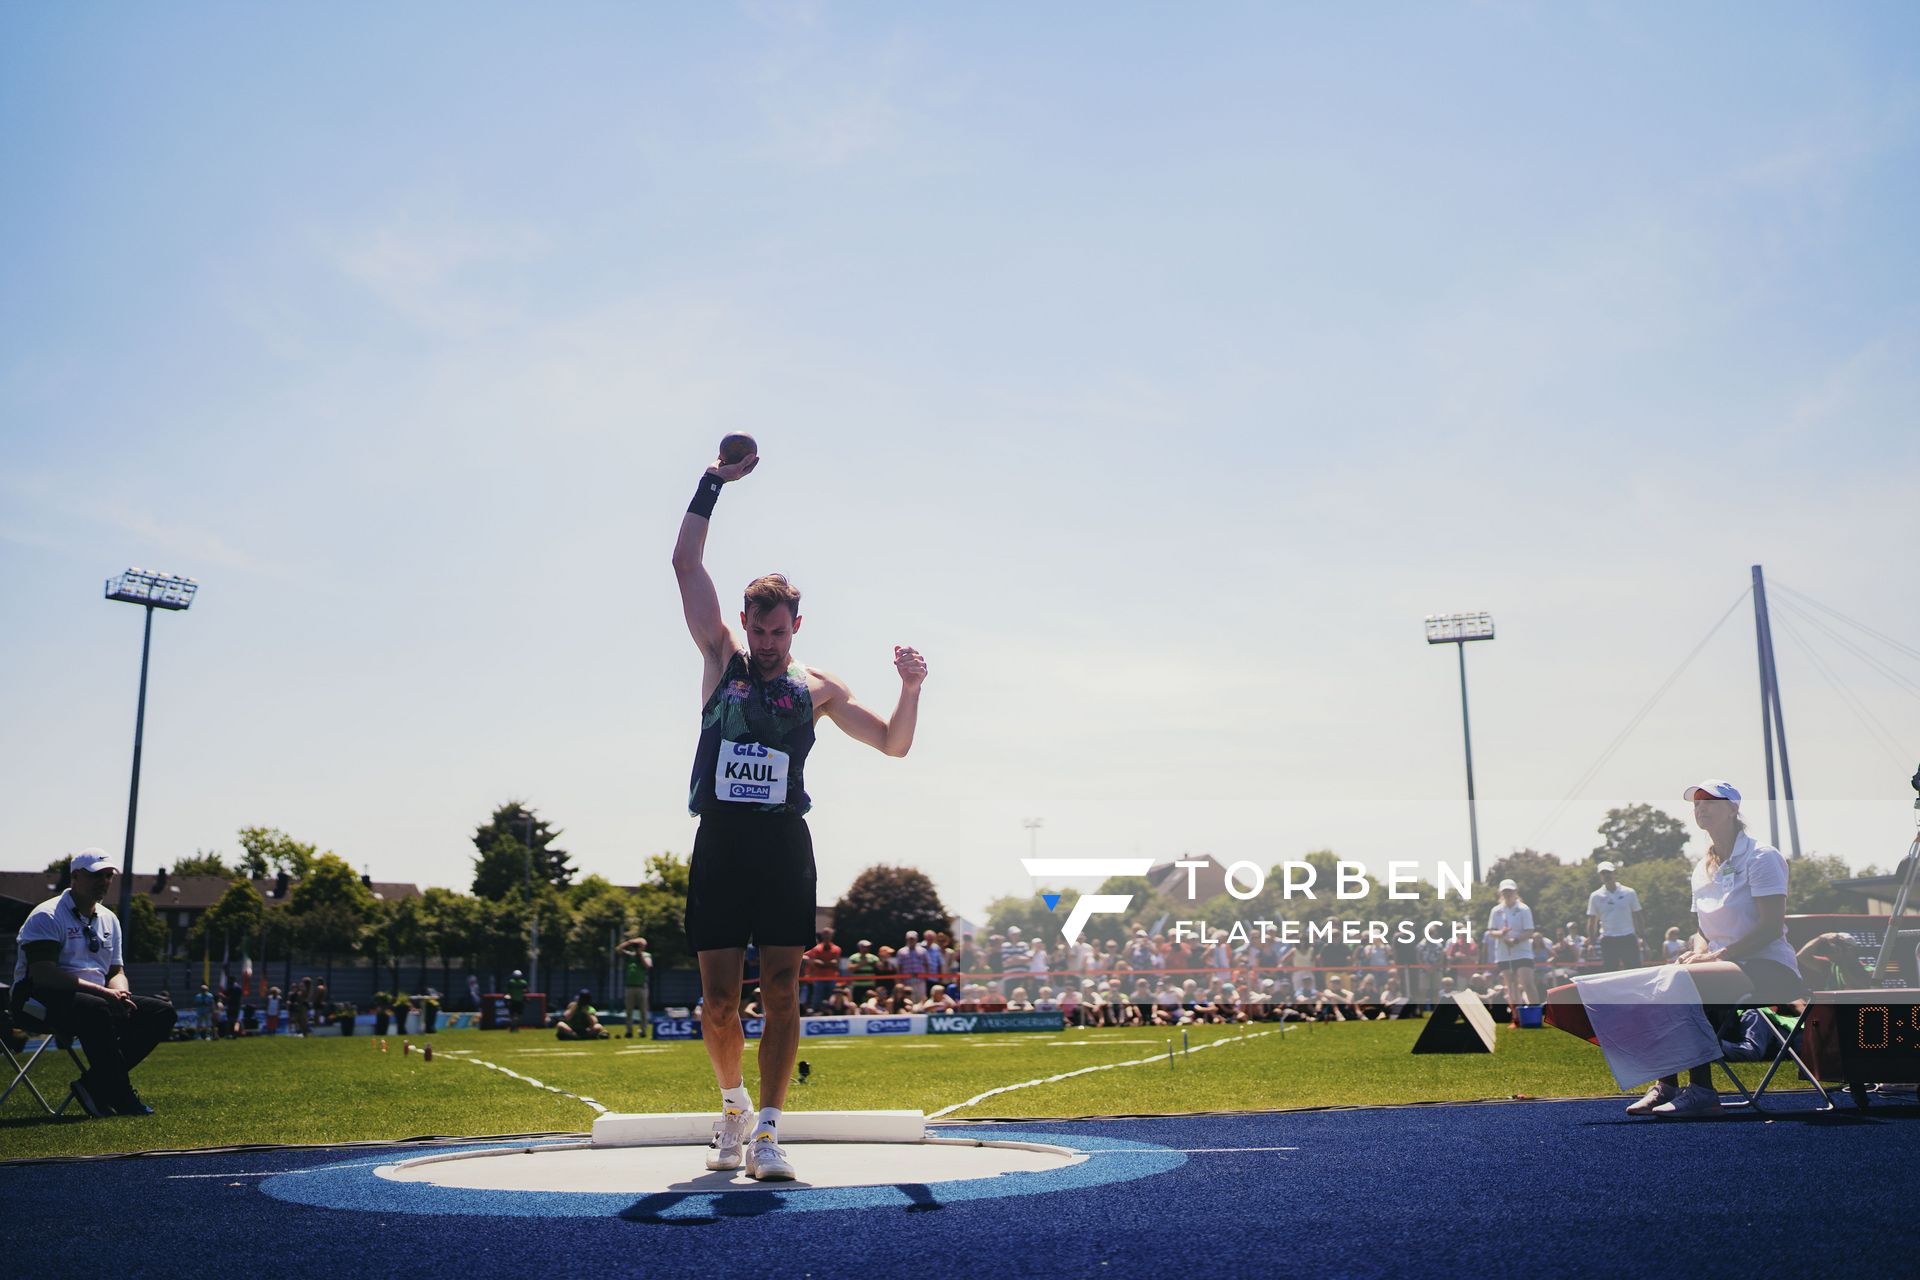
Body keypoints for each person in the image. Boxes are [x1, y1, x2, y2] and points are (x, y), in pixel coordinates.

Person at [673, 440, 927, 1182]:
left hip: (784, 846)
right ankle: (731, 1111)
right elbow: (687, 567)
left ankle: (772, 1133)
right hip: (720, 842)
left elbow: (891, 744)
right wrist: (712, 484)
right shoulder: (722, 659)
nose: (766, 642)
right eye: (758, 630)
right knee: (720, 1003)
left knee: (782, 989)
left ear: (796, 625)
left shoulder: (816, 689)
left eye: (777, 631)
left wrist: (911, 689)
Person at [1627, 780, 1806, 1118]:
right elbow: (1702, 929)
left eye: (1710, 801)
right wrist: (1697, 953)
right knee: (1665, 979)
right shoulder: (1701, 867)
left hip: (1770, 968)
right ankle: (1667, 1085)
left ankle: (1701, 1092)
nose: (1701, 807)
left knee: (1683, 982)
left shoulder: (1762, 857)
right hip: (1722, 967)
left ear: (1734, 808)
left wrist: (1712, 958)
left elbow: (1769, 927)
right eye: (1696, 803)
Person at [8, 849, 176, 1116]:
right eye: (97, 875)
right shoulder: (47, 915)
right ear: (75, 876)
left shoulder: (109, 918)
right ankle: (121, 1096)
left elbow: (116, 970)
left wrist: (120, 994)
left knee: (161, 1013)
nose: (105, 881)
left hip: (94, 999)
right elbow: (44, 975)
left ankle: (94, 1085)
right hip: (34, 999)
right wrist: (105, 994)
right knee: (95, 1009)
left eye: (109, 876)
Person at [1487, 879, 1539, 1010]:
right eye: (1505, 891)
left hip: (1523, 952)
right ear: (1501, 893)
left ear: (1515, 892)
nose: (1507, 894)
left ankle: (1535, 1013)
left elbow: (1529, 931)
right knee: (1511, 985)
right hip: (1504, 953)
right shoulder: (1496, 910)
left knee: (1527, 983)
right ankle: (1516, 1017)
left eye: (1510, 891)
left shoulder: (1524, 909)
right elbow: (1491, 931)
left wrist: (1515, 940)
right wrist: (1501, 934)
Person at [1586, 862, 1645, 973]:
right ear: (1600, 876)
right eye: (1603, 873)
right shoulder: (1595, 896)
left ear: (1614, 873)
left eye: (1608, 872)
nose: (1606, 876)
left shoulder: (1629, 892)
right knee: (1610, 972)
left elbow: (1638, 916)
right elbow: (1592, 921)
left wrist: (1642, 937)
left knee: (1635, 972)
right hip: (1608, 939)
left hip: (1628, 937)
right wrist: (1592, 943)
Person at [616, 935, 653, 1038]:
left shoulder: (646, 955)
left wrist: (640, 954)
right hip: (629, 986)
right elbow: (618, 950)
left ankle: (643, 1030)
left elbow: (648, 966)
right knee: (629, 1010)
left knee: (643, 1010)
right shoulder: (630, 955)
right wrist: (630, 942)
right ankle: (629, 1030)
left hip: (641, 987)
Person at [505, 969, 527, 1033]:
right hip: (520, 1001)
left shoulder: (511, 982)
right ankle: (516, 1026)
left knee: (512, 1015)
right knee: (518, 1015)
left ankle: (512, 1026)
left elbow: (507, 991)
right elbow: (526, 991)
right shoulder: (523, 982)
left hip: (512, 1000)